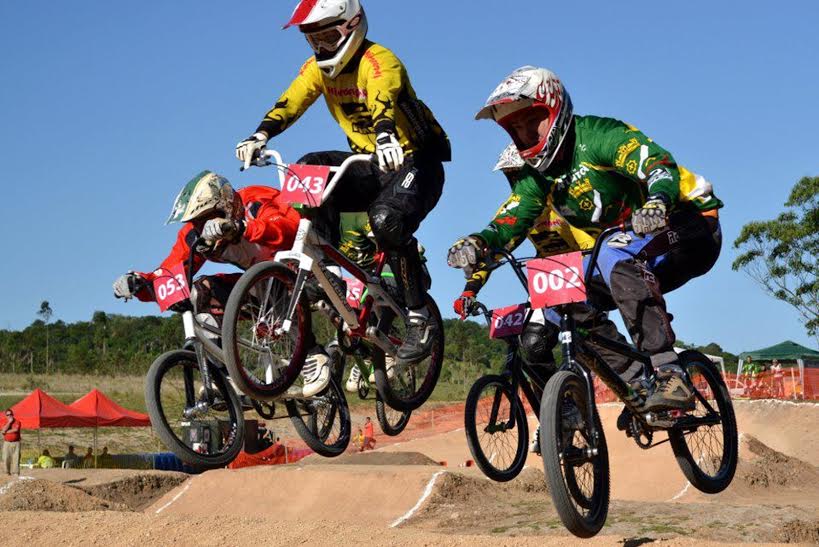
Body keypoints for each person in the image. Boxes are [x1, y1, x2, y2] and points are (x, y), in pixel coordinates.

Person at [449, 66, 723, 412]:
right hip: (633, 250)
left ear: (553, 110)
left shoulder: (599, 136)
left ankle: (670, 372)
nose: (525, 135)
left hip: (691, 224)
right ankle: (637, 383)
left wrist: (657, 201)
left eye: (530, 122)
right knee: (555, 296)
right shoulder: (538, 176)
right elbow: (512, 217)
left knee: (611, 251)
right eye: (514, 130)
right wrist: (479, 242)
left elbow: (657, 165)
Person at [235, 0, 451, 364]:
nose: (321, 48)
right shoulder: (317, 70)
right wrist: (260, 135)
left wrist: (385, 136)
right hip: (370, 162)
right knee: (308, 169)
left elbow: (383, 99)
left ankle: (419, 316)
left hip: (415, 160)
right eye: (313, 41)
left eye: (327, 37)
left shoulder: (380, 61)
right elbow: (291, 101)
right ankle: (330, 270)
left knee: (386, 220)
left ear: (352, 27)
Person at [112, 171, 331, 398]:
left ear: (227, 204)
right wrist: (139, 282)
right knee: (200, 292)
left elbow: (289, 226)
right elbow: (171, 273)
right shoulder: (195, 235)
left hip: (308, 274)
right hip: (261, 287)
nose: (202, 226)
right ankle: (224, 376)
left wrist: (241, 228)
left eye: (206, 217)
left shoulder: (255, 200)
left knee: (269, 276)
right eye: (196, 221)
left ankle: (313, 353)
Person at [2, 409, 21, 476]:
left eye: (10, 414)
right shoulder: (4, 422)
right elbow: (3, 430)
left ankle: (15, 472)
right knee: (6, 457)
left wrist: (6, 431)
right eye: (8, 415)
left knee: (16, 458)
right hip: (7, 443)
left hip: (16, 442)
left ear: (13, 414)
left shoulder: (17, 421)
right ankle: (7, 472)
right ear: (6, 416)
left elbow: (16, 429)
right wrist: (9, 423)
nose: (9, 416)